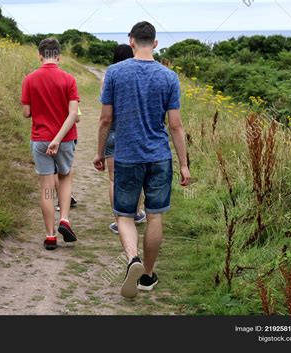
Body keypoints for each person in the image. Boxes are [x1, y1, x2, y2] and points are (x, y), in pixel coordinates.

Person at [93, 22, 191, 298]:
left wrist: (100, 152)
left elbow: (105, 119)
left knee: (124, 214)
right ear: (156, 43)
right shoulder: (169, 77)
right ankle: (147, 275)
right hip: (159, 155)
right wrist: (183, 164)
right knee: (155, 216)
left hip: (126, 155)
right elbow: (175, 125)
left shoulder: (114, 73)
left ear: (131, 41)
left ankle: (132, 259)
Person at [21, 38, 79, 250]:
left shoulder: (30, 79)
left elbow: (27, 112)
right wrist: (58, 139)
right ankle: (64, 219)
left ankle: (50, 236)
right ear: (59, 56)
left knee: (46, 187)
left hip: (40, 138)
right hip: (65, 139)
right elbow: (73, 114)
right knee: (64, 178)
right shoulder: (69, 79)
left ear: (40, 55)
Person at [102, 45, 146, 234]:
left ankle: (119, 221)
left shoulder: (108, 77)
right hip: (134, 134)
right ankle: (135, 214)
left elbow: (105, 116)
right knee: (136, 179)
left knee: (114, 179)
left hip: (113, 133)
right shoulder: (140, 77)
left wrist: (99, 148)